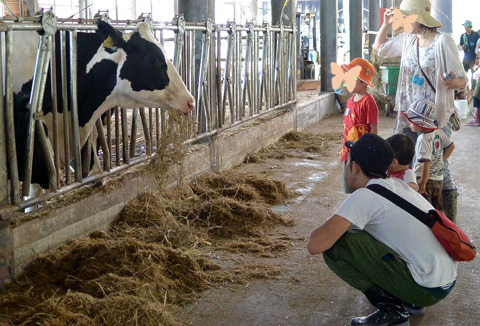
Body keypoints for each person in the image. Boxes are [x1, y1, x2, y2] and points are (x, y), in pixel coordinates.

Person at [307, 133, 457, 326]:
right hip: (444, 280)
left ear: (354, 167)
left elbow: (315, 245)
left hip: (427, 289)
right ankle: (407, 299)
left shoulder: (364, 197)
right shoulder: (398, 185)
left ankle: (392, 311)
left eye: (348, 161)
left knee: (337, 246)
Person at [372, 0, 467, 221]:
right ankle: (416, 214)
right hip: (408, 116)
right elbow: (380, 48)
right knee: (406, 163)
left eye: (406, 17)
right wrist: (386, 24)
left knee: (437, 168)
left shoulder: (444, 42)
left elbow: (461, 80)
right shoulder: (408, 39)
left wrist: (451, 83)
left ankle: (450, 222)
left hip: (434, 119)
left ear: (418, 18)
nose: (402, 22)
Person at [403, 99, 455, 212]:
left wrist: (422, 183)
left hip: (425, 180)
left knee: (424, 211)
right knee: (436, 210)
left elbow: (426, 163)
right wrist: (440, 161)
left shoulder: (423, 139)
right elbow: (451, 146)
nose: (409, 124)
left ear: (420, 123)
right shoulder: (438, 132)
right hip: (438, 179)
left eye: (412, 121)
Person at [340, 58, 379, 194]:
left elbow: (373, 129)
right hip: (348, 151)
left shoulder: (369, 102)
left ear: (363, 83)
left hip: (362, 153)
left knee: (362, 188)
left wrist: (370, 151)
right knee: (349, 187)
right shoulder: (350, 100)